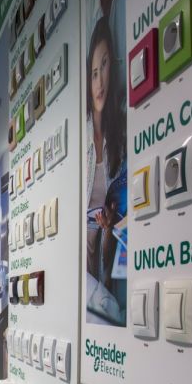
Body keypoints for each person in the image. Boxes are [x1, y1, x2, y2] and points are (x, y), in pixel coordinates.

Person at [84, 18, 127, 324]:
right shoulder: (82, 143)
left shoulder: (120, 139)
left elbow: (115, 231)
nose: (99, 82)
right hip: (84, 282)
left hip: (102, 284)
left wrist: (110, 228)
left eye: (105, 66)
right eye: (94, 73)